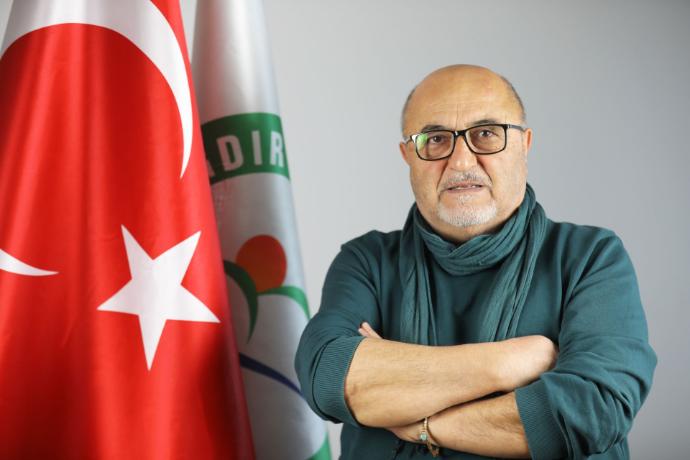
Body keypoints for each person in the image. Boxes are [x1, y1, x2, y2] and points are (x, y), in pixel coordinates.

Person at [295, 64, 656, 459]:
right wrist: (508, 363)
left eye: (486, 134)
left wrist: (421, 424)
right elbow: (327, 378)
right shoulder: (367, 262)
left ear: (524, 144)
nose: (462, 162)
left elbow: (592, 410)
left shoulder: (590, 257)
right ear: (407, 155)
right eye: (435, 139)